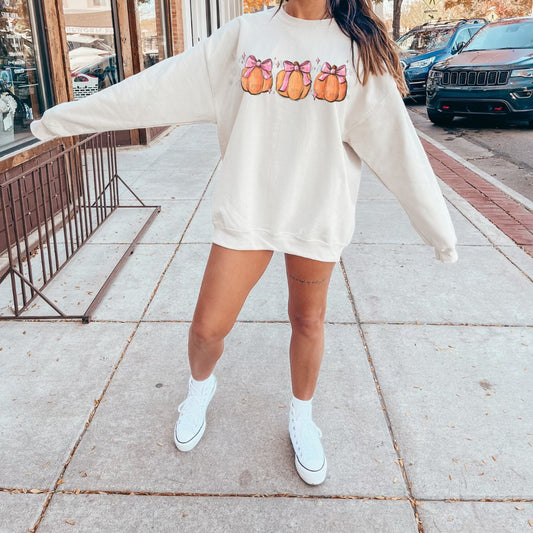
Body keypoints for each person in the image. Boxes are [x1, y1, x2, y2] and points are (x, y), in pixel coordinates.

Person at [29, 0, 458, 486]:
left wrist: (438, 231)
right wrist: (66, 117)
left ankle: (302, 416)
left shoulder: (358, 52)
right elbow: (157, 86)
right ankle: (200, 387)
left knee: (308, 321)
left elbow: (396, 146)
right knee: (207, 329)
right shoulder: (244, 35)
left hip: (316, 214)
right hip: (248, 209)